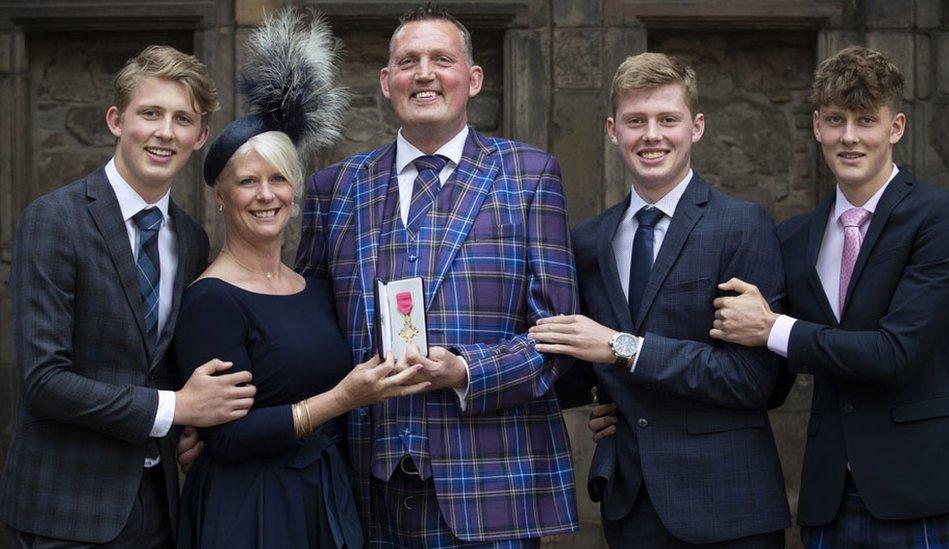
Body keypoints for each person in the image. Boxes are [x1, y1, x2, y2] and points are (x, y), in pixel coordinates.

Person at [294, 5, 579, 547]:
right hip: (363, 489)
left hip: (488, 490)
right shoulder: (336, 186)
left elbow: (560, 338)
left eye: (441, 60)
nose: (424, 73)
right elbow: (306, 332)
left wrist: (467, 370)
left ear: (473, 79)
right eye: (408, 62)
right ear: (386, 82)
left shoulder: (530, 174)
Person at [170, 11, 428, 549]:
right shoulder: (211, 301)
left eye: (278, 179)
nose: (266, 195)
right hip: (251, 508)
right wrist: (339, 399)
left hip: (325, 497)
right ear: (221, 195)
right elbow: (226, 438)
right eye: (247, 182)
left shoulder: (311, 286)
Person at [711, 45, 949, 547]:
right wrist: (628, 394)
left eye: (865, 120)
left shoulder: (943, 218)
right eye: (836, 119)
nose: (849, 137)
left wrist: (773, 328)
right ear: (816, 127)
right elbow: (767, 379)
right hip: (829, 498)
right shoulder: (793, 237)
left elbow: (895, 353)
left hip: (925, 489)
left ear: (895, 127)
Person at [528, 52, 790, 548]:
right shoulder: (588, 242)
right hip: (631, 503)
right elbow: (584, 366)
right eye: (635, 121)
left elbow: (753, 379)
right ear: (612, 130)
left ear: (697, 127)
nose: (652, 135)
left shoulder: (742, 225)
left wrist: (626, 348)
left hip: (730, 507)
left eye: (667, 119)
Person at [0, 45, 256, 547]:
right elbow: (44, 380)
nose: (165, 132)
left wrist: (191, 429)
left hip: (159, 505)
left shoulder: (189, 237)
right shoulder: (54, 220)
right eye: (151, 113)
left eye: (183, 119)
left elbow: (157, 362)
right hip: (66, 512)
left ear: (200, 136)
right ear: (117, 120)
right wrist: (176, 409)